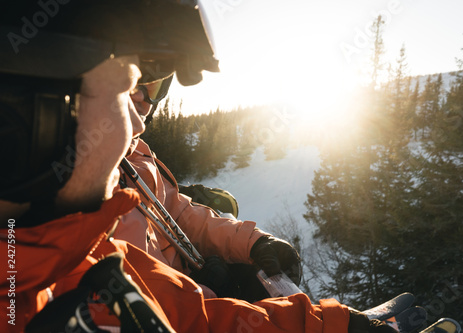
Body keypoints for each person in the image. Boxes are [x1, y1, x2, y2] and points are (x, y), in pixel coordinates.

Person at [0, 1, 397, 332]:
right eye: (124, 91)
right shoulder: (72, 256)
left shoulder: (67, 251)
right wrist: (208, 288)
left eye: (148, 92)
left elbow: (188, 307)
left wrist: (331, 323)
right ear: (27, 121)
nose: (138, 120)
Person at [118, 71, 301, 300]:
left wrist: (253, 243)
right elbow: (132, 305)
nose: (141, 97)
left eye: (154, 87)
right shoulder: (82, 186)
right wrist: (202, 293)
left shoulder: (137, 155)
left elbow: (180, 215)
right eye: (131, 82)